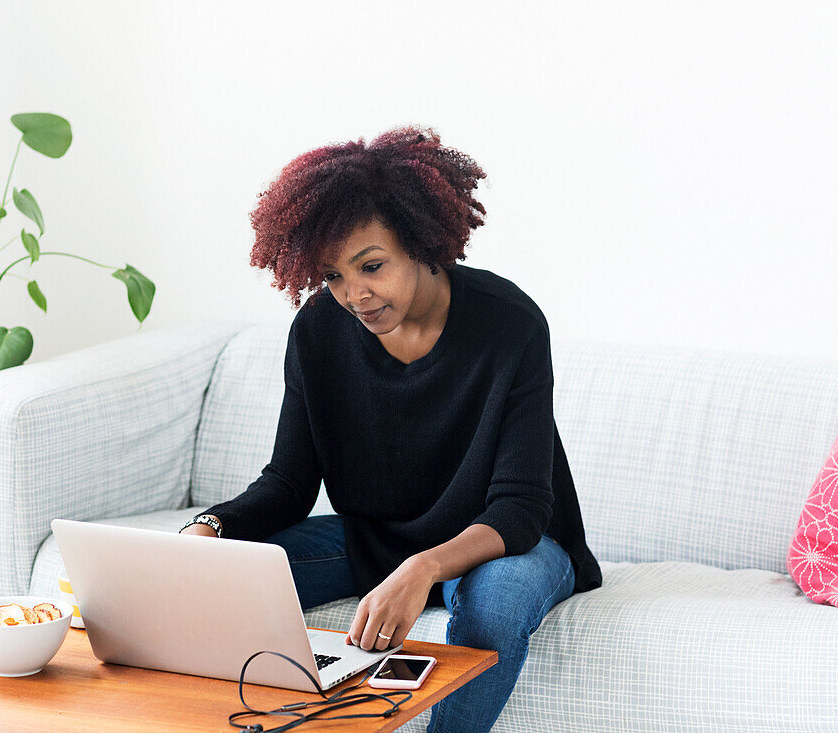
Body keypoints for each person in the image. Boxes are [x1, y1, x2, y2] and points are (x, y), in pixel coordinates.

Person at [179, 125, 602, 732]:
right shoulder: (318, 332)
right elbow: (289, 484)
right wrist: (209, 528)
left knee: (496, 610)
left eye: (371, 266)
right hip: (375, 541)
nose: (354, 294)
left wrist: (423, 567)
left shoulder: (510, 325)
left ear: (423, 243)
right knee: (212, 580)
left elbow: (522, 508)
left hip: (506, 546)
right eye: (332, 276)